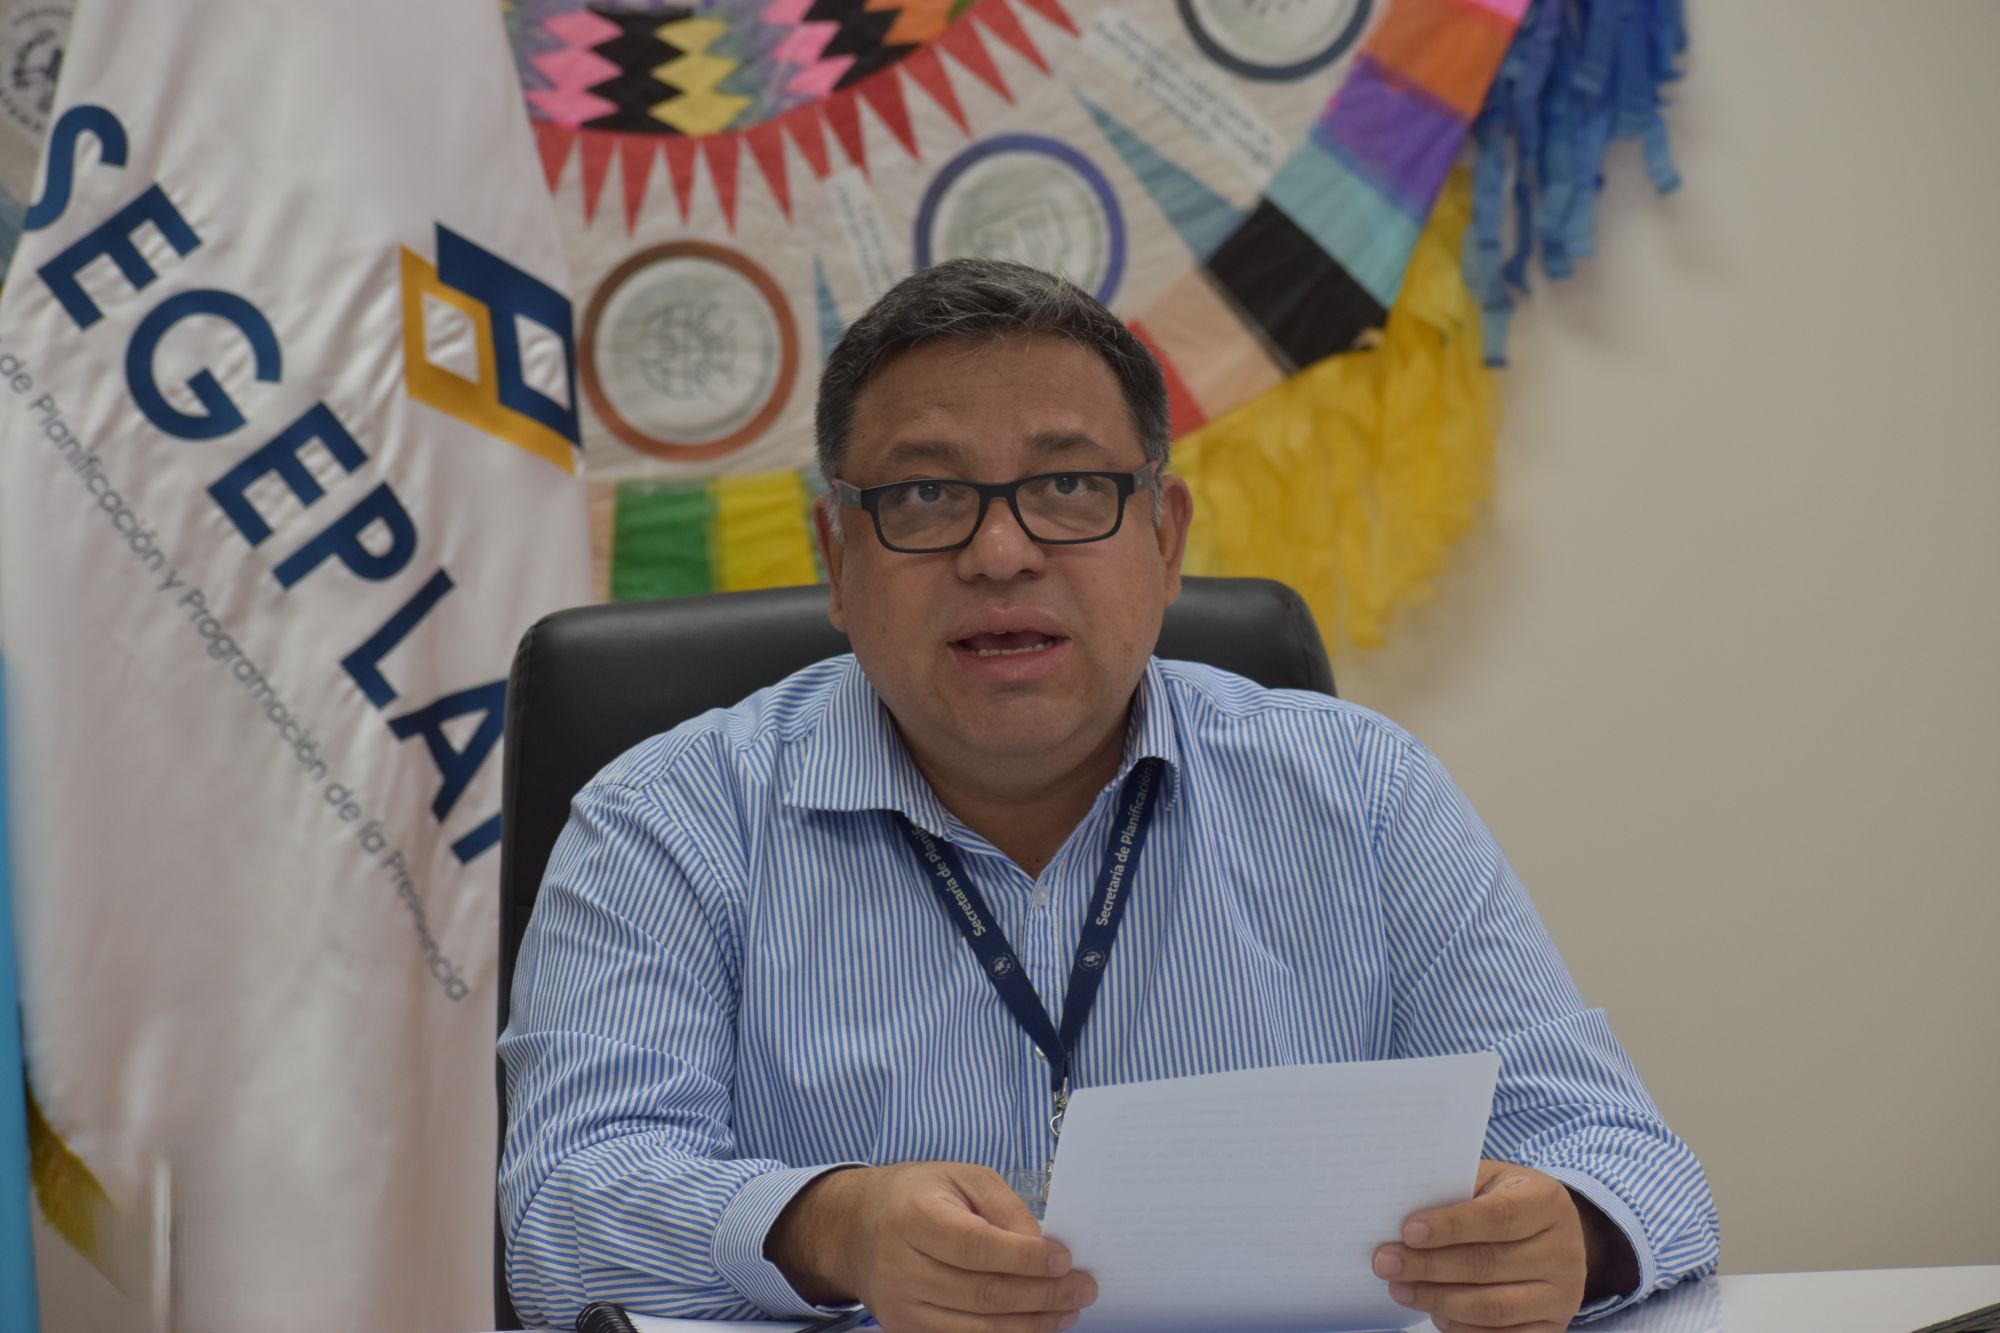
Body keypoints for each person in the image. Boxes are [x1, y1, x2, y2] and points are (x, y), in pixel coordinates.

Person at [499, 259, 1719, 1333]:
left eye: (1069, 485)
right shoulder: (668, 820)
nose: (999, 553)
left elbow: (1632, 1160)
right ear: (835, 559)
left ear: (1165, 536)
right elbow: (560, 1218)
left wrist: (1570, 1232)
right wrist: (830, 1227)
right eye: (924, 496)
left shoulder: (1360, 790)